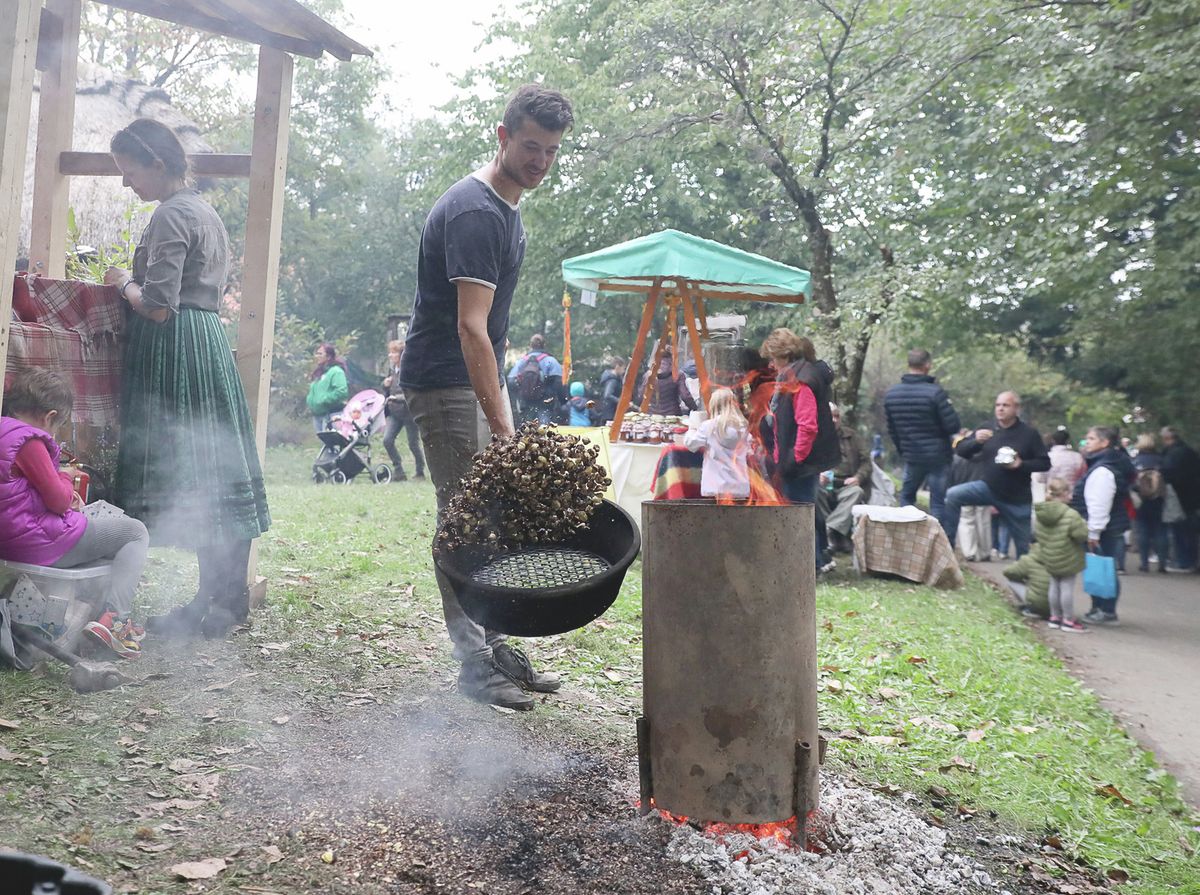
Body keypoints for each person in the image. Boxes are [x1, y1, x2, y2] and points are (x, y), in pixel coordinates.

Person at [399, 84, 573, 712]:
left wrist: (500, 402)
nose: (541, 161)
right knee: (465, 520)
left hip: (474, 377)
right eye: (531, 146)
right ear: (502, 136)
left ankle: (496, 646)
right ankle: (473, 664)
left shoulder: (508, 207)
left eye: (552, 151)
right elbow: (471, 327)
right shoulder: (475, 211)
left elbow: (490, 335)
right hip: (446, 381)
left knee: (489, 516)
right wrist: (503, 427)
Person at [103, 117, 270, 640]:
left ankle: (219, 602)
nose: (128, 183)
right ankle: (219, 601)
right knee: (213, 471)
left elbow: (157, 306)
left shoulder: (173, 214)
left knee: (198, 471)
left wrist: (121, 280)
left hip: (177, 348)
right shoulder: (204, 211)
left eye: (131, 172)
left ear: (157, 162)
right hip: (206, 344)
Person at [0, 369, 150, 658]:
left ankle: (88, 612)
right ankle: (117, 621)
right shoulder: (30, 441)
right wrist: (67, 478)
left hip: (9, 541)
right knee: (134, 532)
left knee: (105, 539)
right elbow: (58, 501)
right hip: (39, 544)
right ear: (49, 416)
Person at [759, 329, 840, 571]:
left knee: (799, 517)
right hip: (793, 461)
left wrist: (794, 458)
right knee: (801, 515)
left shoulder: (802, 381)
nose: (771, 365)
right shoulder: (793, 376)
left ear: (783, 355)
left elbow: (808, 426)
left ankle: (806, 567)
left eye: (773, 359)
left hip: (801, 465)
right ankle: (808, 563)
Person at [943, 391, 1050, 559]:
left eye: (1005, 405)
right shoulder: (986, 428)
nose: (1000, 409)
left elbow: (1045, 463)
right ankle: (946, 547)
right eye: (998, 405)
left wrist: (1021, 464)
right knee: (953, 495)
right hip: (988, 487)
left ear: (1016, 409)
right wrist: (975, 441)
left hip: (1016, 497)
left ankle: (1024, 579)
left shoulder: (1028, 434)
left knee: (1023, 550)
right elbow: (961, 450)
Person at [883, 349, 961, 531]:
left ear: (909, 365)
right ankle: (935, 542)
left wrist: (904, 450)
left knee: (907, 498)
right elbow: (953, 426)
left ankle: (906, 536)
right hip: (938, 457)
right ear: (927, 365)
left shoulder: (892, 395)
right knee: (937, 503)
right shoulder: (935, 393)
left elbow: (891, 430)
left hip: (912, 456)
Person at [1073, 426, 1135, 624]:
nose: (1087, 442)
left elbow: (1099, 504)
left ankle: (1105, 610)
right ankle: (1100, 608)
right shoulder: (1106, 464)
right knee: (1103, 567)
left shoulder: (1102, 470)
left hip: (1103, 529)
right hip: (1108, 527)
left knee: (1103, 569)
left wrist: (1093, 532)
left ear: (1105, 442)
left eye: (1091, 438)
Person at [1034, 478, 1089, 632]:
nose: (1071, 497)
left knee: (1054, 585)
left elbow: (1036, 533)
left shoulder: (1040, 513)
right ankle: (1068, 620)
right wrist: (1084, 525)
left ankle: (1054, 617)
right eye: (1069, 493)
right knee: (1066, 587)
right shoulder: (1071, 515)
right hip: (1068, 556)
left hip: (1050, 555)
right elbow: (1081, 535)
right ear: (1063, 494)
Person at [818, 402, 871, 554]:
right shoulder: (815, 436)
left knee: (857, 492)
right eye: (830, 417)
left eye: (837, 416)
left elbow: (866, 462)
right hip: (825, 484)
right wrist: (818, 475)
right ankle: (834, 537)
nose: (834, 420)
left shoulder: (851, 436)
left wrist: (858, 477)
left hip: (847, 483)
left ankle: (832, 530)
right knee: (816, 492)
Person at [684, 388, 752, 499]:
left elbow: (691, 444)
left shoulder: (709, 426)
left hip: (715, 488)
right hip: (740, 488)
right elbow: (750, 452)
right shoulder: (743, 428)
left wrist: (692, 428)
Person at [381, 340, 425, 481]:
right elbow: (388, 392)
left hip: (409, 413)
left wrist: (397, 397)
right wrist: (385, 386)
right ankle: (398, 470)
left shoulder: (409, 370)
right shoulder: (392, 370)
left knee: (413, 444)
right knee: (387, 440)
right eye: (390, 352)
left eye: (394, 352)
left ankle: (420, 472)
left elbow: (413, 391)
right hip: (395, 413)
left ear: (401, 355)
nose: (390, 355)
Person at [1160, 425, 1200, 571]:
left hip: (1178, 497)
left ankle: (1183, 561)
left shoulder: (1172, 454)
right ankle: (1192, 561)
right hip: (1193, 496)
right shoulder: (1190, 451)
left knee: (1180, 531)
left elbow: (1169, 475)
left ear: (1167, 438)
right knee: (1191, 532)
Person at [948, 429, 991, 562]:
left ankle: (969, 552)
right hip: (982, 489)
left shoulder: (957, 457)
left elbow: (951, 476)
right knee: (983, 520)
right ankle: (985, 551)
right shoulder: (986, 455)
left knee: (966, 520)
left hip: (962, 490)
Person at [1131, 433, 1169, 573]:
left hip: (1141, 500)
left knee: (1143, 530)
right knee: (1161, 530)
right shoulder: (1161, 460)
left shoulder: (1135, 461)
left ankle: (1144, 563)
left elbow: (1131, 481)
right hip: (1159, 499)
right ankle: (1162, 563)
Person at [507, 334, 564, 424]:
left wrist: (520, 396)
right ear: (544, 345)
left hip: (526, 403)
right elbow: (559, 383)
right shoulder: (550, 361)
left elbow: (511, 382)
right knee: (544, 430)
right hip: (545, 404)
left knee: (527, 431)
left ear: (530, 345)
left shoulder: (522, 361)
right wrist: (562, 402)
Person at [636, 349, 698, 416]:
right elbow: (685, 396)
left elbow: (641, 396)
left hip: (652, 416)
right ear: (671, 364)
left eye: (663, 364)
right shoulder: (677, 375)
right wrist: (694, 408)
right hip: (672, 416)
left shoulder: (648, 376)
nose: (661, 366)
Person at [307, 343, 349, 433]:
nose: (317, 356)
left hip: (332, 415)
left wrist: (324, 399)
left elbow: (341, 392)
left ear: (329, 356)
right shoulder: (319, 373)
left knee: (333, 444)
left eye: (320, 354)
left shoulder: (336, 371)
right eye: (316, 353)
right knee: (325, 444)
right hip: (318, 415)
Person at [597, 356, 627, 422]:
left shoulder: (611, 378)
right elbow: (607, 395)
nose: (624, 371)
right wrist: (621, 401)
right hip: (610, 413)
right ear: (617, 367)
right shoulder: (612, 380)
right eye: (623, 369)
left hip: (607, 411)